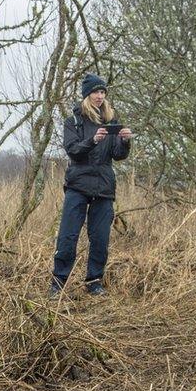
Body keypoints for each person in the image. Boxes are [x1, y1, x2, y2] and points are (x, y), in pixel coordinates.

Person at [50, 73, 133, 297]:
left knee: (100, 238)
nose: (100, 96)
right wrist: (92, 140)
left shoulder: (112, 120)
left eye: (103, 92)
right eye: (96, 92)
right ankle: (58, 283)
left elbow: (118, 155)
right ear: (87, 95)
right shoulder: (74, 121)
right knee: (68, 235)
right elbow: (72, 150)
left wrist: (125, 141)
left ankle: (94, 281)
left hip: (104, 187)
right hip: (77, 184)